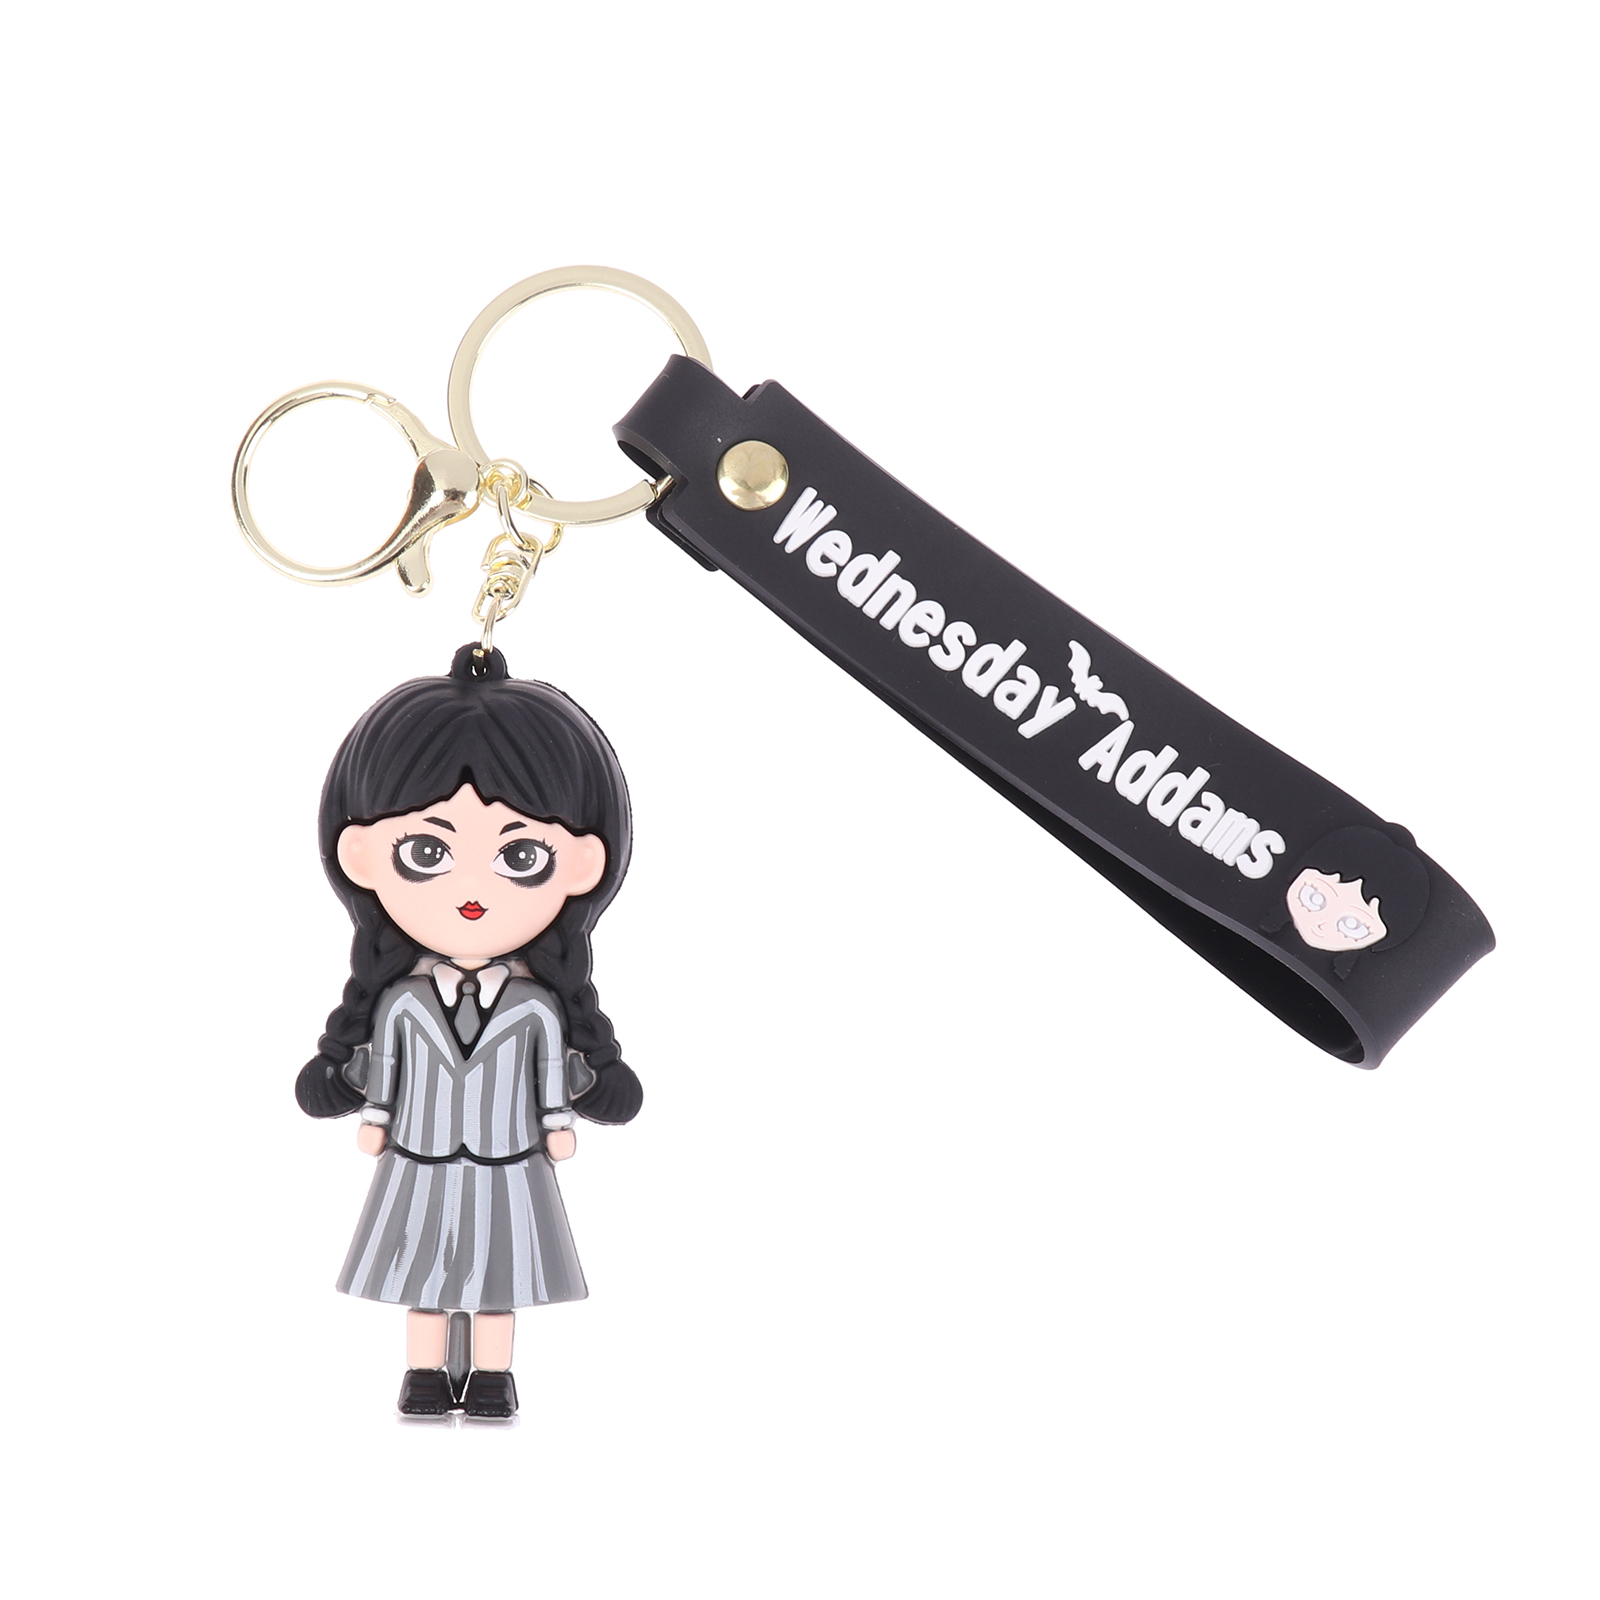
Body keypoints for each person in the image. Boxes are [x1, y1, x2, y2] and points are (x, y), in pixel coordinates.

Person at [296, 642, 639, 1417]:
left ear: (583, 863)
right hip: (418, 1154)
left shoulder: (535, 1008)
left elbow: (548, 1073)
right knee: (421, 1272)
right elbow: (388, 1070)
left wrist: (558, 1123)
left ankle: (490, 1377)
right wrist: (375, 1116)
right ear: (360, 854)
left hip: (508, 1159)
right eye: (427, 852)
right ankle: (424, 1374)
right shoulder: (402, 1003)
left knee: (496, 1276)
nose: (472, 890)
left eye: (520, 855)